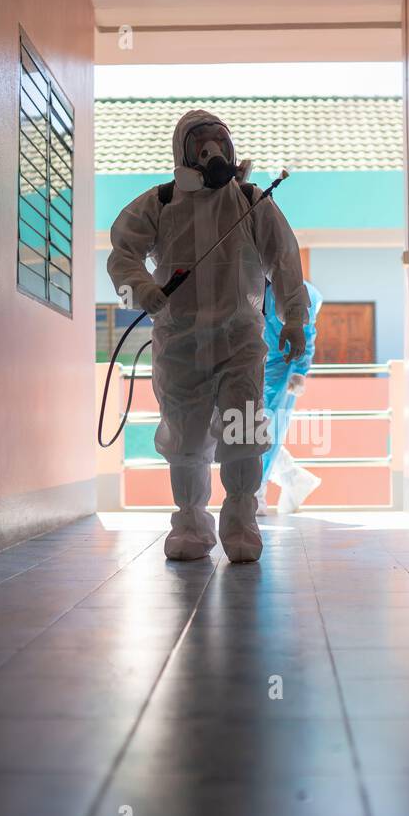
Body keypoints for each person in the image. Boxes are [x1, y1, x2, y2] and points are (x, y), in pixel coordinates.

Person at [107, 110, 309, 562]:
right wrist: (144, 290)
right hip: (180, 346)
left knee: (242, 435)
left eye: (220, 141)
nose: (212, 150)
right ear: (184, 151)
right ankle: (191, 527)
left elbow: (286, 263)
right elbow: (123, 253)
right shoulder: (158, 204)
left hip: (240, 345)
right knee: (186, 440)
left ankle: (241, 525)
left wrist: (294, 318)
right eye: (201, 143)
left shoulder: (253, 201)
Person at [256, 280, 323, 516]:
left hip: (281, 366)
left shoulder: (292, 290)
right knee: (244, 426)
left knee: (264, 428)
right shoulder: (246, 282)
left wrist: (298, 371)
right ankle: (292, 477)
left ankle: (257, 490)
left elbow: (306, 333)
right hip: (252, 362)